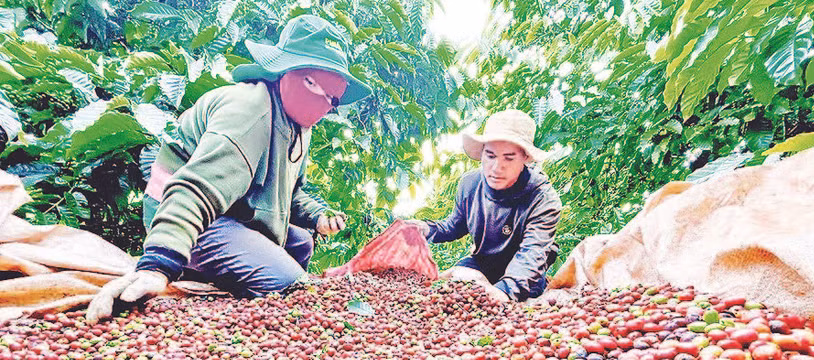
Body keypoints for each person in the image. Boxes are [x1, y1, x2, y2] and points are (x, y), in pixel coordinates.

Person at [87, 15, 371, 323]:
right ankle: (193, 263)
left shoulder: (299, 128)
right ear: (287, 72)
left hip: (237, 213)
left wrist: (318, 215)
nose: (326, 104)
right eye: (316, 86)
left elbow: (290, 194)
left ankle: (231, 265)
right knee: (288, 282)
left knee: (301, 242)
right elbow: (196, 188)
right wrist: (159, 263)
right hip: (189, 212)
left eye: (333, 98)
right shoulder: (250, 111)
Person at [408, 109, 562, 303]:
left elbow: (533, 252)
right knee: (442, 293)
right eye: (490, 156)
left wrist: (505, 291)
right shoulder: (470, 184)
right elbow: (455, 226)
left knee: (515, 314)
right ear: (482, 154)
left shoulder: (542, 198)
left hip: (524, 274)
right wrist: (425, 229)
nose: (497, 168)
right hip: (483, 262)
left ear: (525, 158)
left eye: (508, 158)